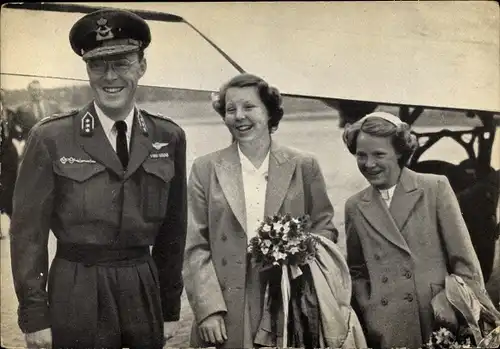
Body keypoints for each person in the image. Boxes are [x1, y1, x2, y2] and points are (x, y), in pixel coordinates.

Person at [10, 8, 187, 349]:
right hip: (76, 285)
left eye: (121, 62)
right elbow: (27, 234)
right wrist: (34, 316)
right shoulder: (51, 137)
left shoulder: (169, 136)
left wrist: (168, 306)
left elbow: (173, 231)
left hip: (141, 284)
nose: (110, 76)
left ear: (141, 66)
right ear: (87, 70)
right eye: (97, 64)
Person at [182, 73, 341, 348]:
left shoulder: (304, 165)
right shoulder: (205, 169)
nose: (239, 116)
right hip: (226, 302)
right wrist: (208, 309)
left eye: (249, 107)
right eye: (230, 110)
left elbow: (325, 228)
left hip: (287, 299)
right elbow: (195, 245)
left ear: (269, 113)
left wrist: (298, 248)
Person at [342, 111, 499, 348]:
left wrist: (467, 314)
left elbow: (465, 262)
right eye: (361, 155)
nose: (369, 164)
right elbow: (357, 270)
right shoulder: (354, 206)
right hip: (386, 325)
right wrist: (369, 308)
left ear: (399, 153)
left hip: (438, 320)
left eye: (379, 154)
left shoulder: (434, 188)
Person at [0, 89, 19, 236]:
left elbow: (17, 133)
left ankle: (14, 225)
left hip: (9, 157)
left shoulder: (11, 113)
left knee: (10, 189)